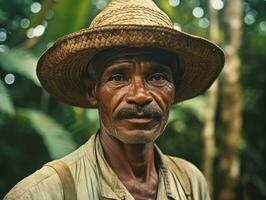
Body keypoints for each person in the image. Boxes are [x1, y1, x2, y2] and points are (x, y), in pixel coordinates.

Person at [4, 0, 224, 199]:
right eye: (118, 77)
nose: (140, 96)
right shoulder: (43, 193)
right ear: (93, 92)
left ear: (173, 90)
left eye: (157, 77)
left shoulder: (191, 183)